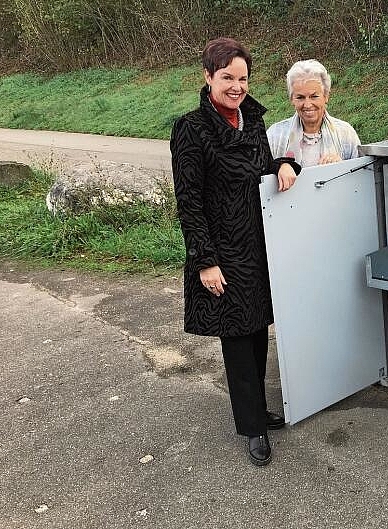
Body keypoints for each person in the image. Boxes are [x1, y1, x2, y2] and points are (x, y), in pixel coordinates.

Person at [170, 37, 300, 467]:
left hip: (259, 246)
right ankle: (252, 428)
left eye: (242, 78)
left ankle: (256, 408)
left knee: (257, 330)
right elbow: (189, 200)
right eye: (227, 77)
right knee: (237, 340)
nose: (236, 86)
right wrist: (205, 260)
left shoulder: (253, 121)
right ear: (208, 77)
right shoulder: (191, 128)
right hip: (222, 252)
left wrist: (285, 163)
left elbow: (262, 166)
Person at [267, 59, 361, 167]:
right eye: (300, 97)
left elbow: (360, 177)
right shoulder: (274, 135)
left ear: (326, 96)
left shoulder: (346, 134)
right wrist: (278, 168)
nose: (307, 105)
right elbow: (262, 177)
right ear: (292, 99)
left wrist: (341, 167)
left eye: (314, 96)